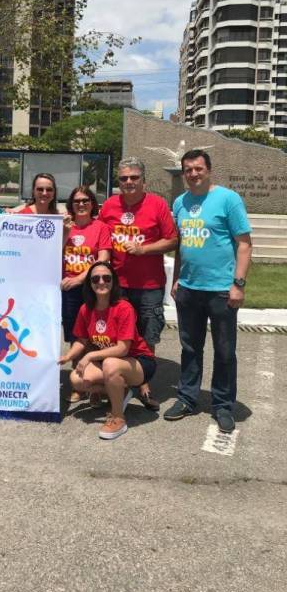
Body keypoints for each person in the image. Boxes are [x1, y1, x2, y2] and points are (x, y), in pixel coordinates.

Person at [165, 149, 252, 433]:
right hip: (189, 289)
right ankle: (187, 398)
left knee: (225, 351)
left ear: (209, 170)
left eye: (198, 168)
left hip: (221, 291)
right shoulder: (180, 202)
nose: (193, 174)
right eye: (188, 169)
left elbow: (244, 244)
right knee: (190, 348)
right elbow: (181, 245)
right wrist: (176, 278)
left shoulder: (228, 199)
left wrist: (238, 284)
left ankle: (222, 405)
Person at [99, 157, 177, 410]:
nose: (129, 182)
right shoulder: (109, 205)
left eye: (134, 177)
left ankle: (144, 385)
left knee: (146, 335)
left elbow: (172, 240)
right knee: (115, 335)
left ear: (143, 180)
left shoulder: (157, 204)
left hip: (149, 285)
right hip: (116, 285)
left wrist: (144, 249)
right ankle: (116, 383)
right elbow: (100, 237)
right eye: (124, 178)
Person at [58, 260, 156, 440]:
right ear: (90, 283)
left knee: (110, 364)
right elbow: (82, 340)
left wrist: (90, 355)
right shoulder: (85, 309)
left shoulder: (124, 308)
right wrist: (67, 357)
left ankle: (118, 418)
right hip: (111, 363)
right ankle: (121, 391)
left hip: (139, 362)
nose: (101, 282)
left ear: (113, 281)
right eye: (95, 279)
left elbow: (123, 348)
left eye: (106, 278)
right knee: (77, 379)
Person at [61, 186, 111, 402]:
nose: (81, 204)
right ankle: (79, 384)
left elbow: (103, 259)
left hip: (92, 287)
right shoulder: (64, 226)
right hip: (68, 289)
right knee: (75, 336)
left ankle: (96, 384)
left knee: (96, 335)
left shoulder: (101, 227)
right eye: (77, 201)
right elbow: (52, 253)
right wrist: (64, 232)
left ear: (92, 204)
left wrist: (80, 279)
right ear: (71, 205)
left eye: (85, 201)